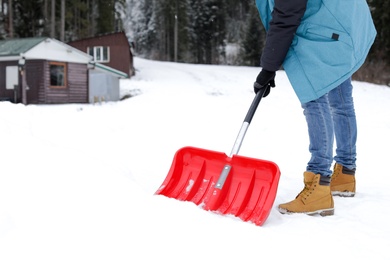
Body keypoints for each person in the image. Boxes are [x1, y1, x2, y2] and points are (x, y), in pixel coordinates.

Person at [253, 0, 377, 216]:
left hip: (325, 32)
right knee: (341, 100)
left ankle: (318, 184)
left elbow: (285, 19)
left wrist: (268, 68)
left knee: (314, 98)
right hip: (341, 28)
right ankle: (345, 174)